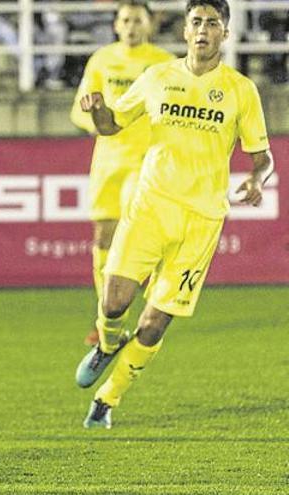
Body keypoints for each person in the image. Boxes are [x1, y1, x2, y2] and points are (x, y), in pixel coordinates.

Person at [75, 0, 274, 429]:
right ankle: (108, 344)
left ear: (226, 32)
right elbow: (112, 126)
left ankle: (108, 400)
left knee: (153, 324)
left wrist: (259, 179)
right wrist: (98, 111)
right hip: (150, 207)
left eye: (213, 23)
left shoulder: (241, 90)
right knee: (113, 303)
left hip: (200, 221)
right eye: (196, 22)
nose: (203, 30)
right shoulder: (157, 77)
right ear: (185, 31)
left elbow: (262, 156)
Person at [70, 0, 174, 347]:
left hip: (146, 162)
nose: (130, 26)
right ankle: (105, 317)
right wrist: (95, 122)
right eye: (125, 20)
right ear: (116, 25)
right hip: (109, 161)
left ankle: (149, 306)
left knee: (136, 236)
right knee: (103, 238)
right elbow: (80, 108)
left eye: (137, 20)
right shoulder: (102, 60)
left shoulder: (164, 64)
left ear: (150, 25)